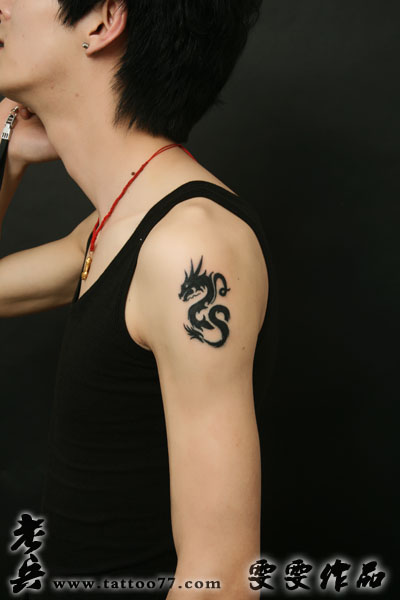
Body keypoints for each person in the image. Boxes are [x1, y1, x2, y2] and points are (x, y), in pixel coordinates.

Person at [0, 1, 278, 598]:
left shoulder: (191, 246)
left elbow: (223, 577)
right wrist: (9, 154)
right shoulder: (116, 227)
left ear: (102, 21)